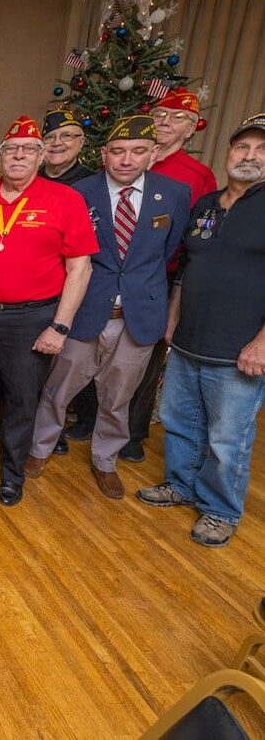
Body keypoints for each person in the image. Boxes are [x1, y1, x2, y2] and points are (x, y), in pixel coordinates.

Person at [25, 115, 189, 499]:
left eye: (137, 152)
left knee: (119, 395)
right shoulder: (80, 192)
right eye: (118, 151)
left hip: (140, 314)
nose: (126, 160)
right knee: (59, 388)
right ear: (104, 155)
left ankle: (105, 460)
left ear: (152, 154)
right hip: (87, 309)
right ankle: (39, 448)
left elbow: (169, 253)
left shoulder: (175, 194)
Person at [0, 115, 96, 506]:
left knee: (22, 397)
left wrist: (60, 327)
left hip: (31, 318)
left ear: (42, 156)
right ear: (0, 156)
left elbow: (81, 267)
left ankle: (12, 473)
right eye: (12, 149)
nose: (19, 156)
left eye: (29, 149)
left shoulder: (65, 200)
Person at [137, 112, 265, 548]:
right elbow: (186, 270)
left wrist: (262, 344)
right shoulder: (207, 205)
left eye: (262, 150)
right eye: (243, 147)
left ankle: (219, 510)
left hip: (241, 351)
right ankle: (180, 485)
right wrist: (172, 320)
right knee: (178, 420)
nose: (250, 156)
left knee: (228, 438)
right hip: (190, 340)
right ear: (228, 153)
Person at [119, 86, 218, 464]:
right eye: (160, 113)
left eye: (178, 117)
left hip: (160, 278)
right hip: (114, 274)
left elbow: (197, 233)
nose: (165, 121)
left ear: (192, 129)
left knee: (146, 355)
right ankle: (93, 420)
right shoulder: (126, 161)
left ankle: (134, 432)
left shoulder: (197, 175)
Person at [41, 109, 98, 450]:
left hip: (73, 287)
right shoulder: (29, 180)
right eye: (50, 138)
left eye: (68, 136)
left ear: (83, 142)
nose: (58, 143)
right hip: (35, 290)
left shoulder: (90, 185)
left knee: (63, 368)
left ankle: (52, 430)